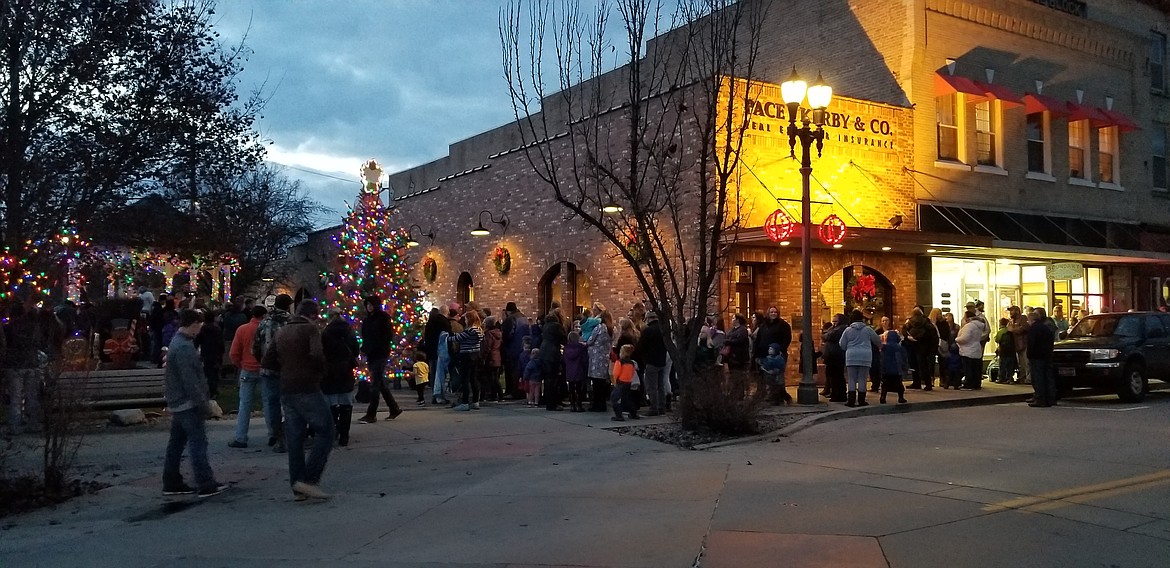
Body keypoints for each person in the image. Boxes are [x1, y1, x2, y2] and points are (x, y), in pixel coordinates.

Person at [262, 300, 333, 500]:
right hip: (307, 387)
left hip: (287, 388)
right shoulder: (310, 330)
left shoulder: (282, 331)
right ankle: (309, 480)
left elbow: (267, 360)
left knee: (295, 438)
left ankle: (297, 485)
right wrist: (319, 373)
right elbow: (317, 354)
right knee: (326, 431)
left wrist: (285, 370)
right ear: (312, 315)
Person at [162, 309, 227, 498]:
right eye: (198, 326)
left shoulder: (177, 342)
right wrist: (203, 404)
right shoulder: (184, 348)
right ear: (194, 324)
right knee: (198, 443)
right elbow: (191, 380)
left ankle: (171, 481)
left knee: (176, 443)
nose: (199, 330)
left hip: (177, 401)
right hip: (188, 403)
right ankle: (205, 482)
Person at [253, 294, 293, 453]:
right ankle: (290, 434)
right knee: (289, 404)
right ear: (288, 306)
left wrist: (263, 359)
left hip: (268, 369)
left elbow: (255, 347)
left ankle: (275, 434)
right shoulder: (291, 323)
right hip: (288, 369)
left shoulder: (265, 323)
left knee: (272, 404)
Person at [4, 302, 48, 434]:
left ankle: (15, 425)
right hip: (31, 362)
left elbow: (6, 344)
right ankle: (33, 423)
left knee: (16, 397)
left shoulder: (9, 327)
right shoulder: (34, 327)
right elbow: (40, 342)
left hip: (15, 364)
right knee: (32, 396)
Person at [228, 306, 268, 448]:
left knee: (244, 404)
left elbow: (233, 353)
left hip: (247, 368)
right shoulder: (266, 330)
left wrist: (240, 364)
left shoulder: (242, 329)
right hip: (264, 370)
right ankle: (273, 435)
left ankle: (241, 437)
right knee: (268, 403)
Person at [358, 296, 402, 423]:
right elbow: (365, 336)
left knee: (375, 384)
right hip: (371, 354)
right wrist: (364, 350)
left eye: (371, 304)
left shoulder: (383, 318)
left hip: (380, 353)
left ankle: (371, 414)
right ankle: (394, 408)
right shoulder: (367, 320)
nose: (369, 307)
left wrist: (379, 346)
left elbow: (387, 335)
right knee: (380, 383)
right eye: (368, 305)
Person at [321, 308, 358, 446]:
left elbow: (322, 351)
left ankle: (334, 430)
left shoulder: (325, 332)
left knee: (331, 404)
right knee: (346, 404)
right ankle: (345, 435)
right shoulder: (349, 331)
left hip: (330, 371)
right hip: (345, 370)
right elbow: (355, 350)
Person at [840, 310, 880, 407]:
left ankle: (851, 401)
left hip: (851, 355)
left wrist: (848, 348)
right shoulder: (867, 329)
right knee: (862, 378)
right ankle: (861, 400)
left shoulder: (848, 330)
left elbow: (842, 344)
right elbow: (877, 340)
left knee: (851, 379)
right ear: (862, 318)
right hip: (865, 356)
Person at [752, 306, 792, 401]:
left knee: (777, 376)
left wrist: (779, 350)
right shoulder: (764, 325)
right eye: (771, 312)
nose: (773, 314)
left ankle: (777, 396)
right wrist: (756, 353)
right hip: (765, 354)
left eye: (775, 312)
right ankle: (775, 395)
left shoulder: (783, 325)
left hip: (777, 355)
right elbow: (758, 339)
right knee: (767, 377)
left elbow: (787, 339)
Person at [634, 312, 668, 416]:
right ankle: (662, 407)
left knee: (651, 386)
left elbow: (641, 346)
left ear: (648, 319)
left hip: (651, 361)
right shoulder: (663, 329)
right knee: (660, 385)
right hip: (662, 360)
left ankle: (654, 408)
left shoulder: (648, 331)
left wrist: (636, 355)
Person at [451, 309, 484, 411]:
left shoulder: (470, 330)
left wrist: (447, 337)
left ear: (469, 319)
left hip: (466, 355)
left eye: (466, 318)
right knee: (473, 379)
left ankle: (465, 402)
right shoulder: (479, 330)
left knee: (464, 379)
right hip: (476, 355)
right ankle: (475, 401)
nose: (464, 320)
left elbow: (458, 338)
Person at [1027, 307, 1058, 407]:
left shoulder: (1035, 328)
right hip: (1047, 354)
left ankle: (1040, 398)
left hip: (1037, 356)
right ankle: (1050, 398)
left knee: (1038, 377)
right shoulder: (1047, 327)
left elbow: (1032, 343)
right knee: (1047, 376)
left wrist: (1030, 354)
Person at [902, 307, 938, 390]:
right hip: (923, 346)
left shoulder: (909, 321)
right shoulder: (926, 321)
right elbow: (932, 333)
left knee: (914, 365)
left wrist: (908, 337)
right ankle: (928, 384)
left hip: (912, 345)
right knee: (923, 365)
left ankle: (916, 382)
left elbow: (904, 330)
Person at [422, 306, 452, 404]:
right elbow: (448, 337)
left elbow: (426, 337)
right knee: (441, 375)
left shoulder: (430, 323)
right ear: (446, 312)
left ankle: (434, 395)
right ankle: (440, 396)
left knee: (434, 373)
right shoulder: (444, 322)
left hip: (431, 351)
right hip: (441, 351)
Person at [538, 313, 567, 411]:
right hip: (552, 353)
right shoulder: (556, 326)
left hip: (544, 351)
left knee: (547, 379)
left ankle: (548, 401)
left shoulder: (546, 326)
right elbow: (563, 337)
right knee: (553, 379)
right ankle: (553, 404)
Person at [586, 310, 613, 412]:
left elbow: (590, 340)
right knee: (602, 383)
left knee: (596, 384)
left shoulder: (599, 327)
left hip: (596, 357)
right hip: (605, 357)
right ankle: (603, 404)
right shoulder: (610, 329)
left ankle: (597, 405)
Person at [501, 302, 528, 400]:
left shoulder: (510, 319)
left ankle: (512, 392)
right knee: (520, 371)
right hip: (523, 347)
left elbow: (507, 335)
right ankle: (521, 391)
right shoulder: (524, 317)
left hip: (512, 348)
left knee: (511, 371)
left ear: (508, 311)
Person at [194, 310, 224, 399]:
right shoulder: (217, 329)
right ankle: (214, 389)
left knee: (207, 372)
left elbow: (197, 341)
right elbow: (220, 342)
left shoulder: (202, 329)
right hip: (216, 353)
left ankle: (209, 390)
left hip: (206, 353)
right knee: (215, 372)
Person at [955, 309, 987, 390]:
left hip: (967, 350)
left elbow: (965, 338)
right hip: (976, 348)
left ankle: (969, 384)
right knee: (975, 369)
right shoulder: (979, 325)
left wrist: (957, 339)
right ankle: (976, 384)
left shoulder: (969, 326)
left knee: (968, 369)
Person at [610, 343, 640, 421]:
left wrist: (614, 381)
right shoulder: (632, 363)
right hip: (628, 382)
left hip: (620, 382)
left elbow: (615, 373)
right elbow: (632, 373)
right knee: (626, 399)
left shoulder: (620, 362)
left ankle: (619, 415)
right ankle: (633, 413)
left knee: (615, 399)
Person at [822, 314, 848, 402]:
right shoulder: (834, 328)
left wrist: (826, 334)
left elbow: (828, 336)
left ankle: (839, 395)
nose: (834, 323)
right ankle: (834, 393)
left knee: (837, 377)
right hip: (832, 355)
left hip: (836, 355)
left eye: (836, 321)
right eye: (833, 321)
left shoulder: (841, 329)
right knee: (832, 376)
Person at [878, 330, 909, 404]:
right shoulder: (900, 348)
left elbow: (881, 358)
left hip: (886, 370)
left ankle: (883, 397)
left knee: (885, 385)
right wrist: (905, 367)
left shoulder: (884, 347)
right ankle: (901, 398)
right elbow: (904, 359)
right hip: (897, 370)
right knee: (899, 385)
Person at [564, 330, 588, 412]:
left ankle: (572, 405)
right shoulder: (581, 348)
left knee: (571, 388)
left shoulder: (566, 348)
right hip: (579, 369)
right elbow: (584, 359)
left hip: (569, 370)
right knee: (578, 389)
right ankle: (579, 405)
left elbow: (564, 360)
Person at [1006, 305, 1031, 384]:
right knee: (1021, 363)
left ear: (1017, 311)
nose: (1010, 313)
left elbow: (1024, 328)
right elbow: (1008, 328)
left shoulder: (1023, 318)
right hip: (1016, 345)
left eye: (1012, 311)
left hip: (1024, 344)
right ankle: (1022, 377)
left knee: (1026, 362)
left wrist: (1013, 330)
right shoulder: (1011, 321)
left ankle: (1028, 378)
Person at [481, 315, 503, 402]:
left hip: (490, 358)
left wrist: (483, 357)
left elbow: (487, 347)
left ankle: (495, 394)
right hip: (497, 356)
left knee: (491, 377)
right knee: (495, 376)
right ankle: (496, 394)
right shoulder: (499, 333)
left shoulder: (489, 334)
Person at [992, 317, 1016, 384]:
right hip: (1011, 351)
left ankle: (1001, 378)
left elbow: (997, 340)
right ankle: (1010, 378)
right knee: (1010, 366)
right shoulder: (1010, 331)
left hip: (1003, 350)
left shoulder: (1000, 331)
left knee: (1002, 365)